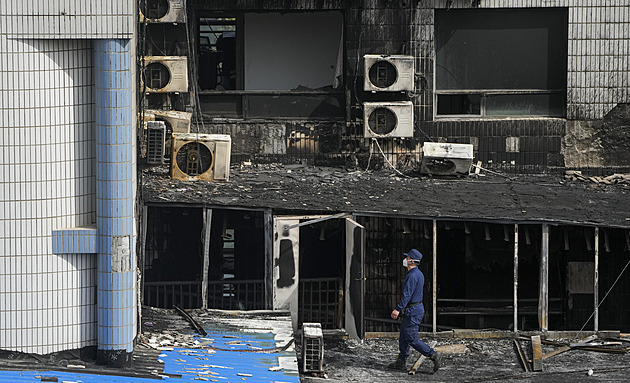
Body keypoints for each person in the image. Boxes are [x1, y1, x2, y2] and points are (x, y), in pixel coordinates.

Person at [388, 248, 441, 372]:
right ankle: (401, 361)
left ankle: (432, 355)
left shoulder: (412, 276)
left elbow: (407, 295)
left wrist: (397, 309)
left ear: (412, 261)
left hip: (413, 310)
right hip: (414, 309)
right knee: (404, 336)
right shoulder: (418, 274)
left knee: (411, 338)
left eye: (407, 258)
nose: (405, 260)